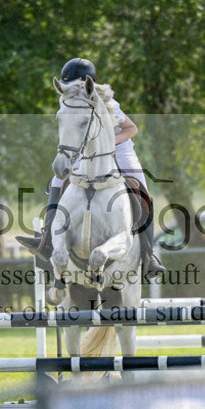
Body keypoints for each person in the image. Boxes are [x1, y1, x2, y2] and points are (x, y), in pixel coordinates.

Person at [16, 58, 166, 278]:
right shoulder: (68, 102)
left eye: (75, 85)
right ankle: (46, 240)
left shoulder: (109, 104)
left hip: (119, 147)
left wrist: (110, 142)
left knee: (142, 188)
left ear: (87, 85)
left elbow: (132, 129)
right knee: (58, 180)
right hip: (85, 149)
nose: (71, 90)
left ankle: (148, 255)